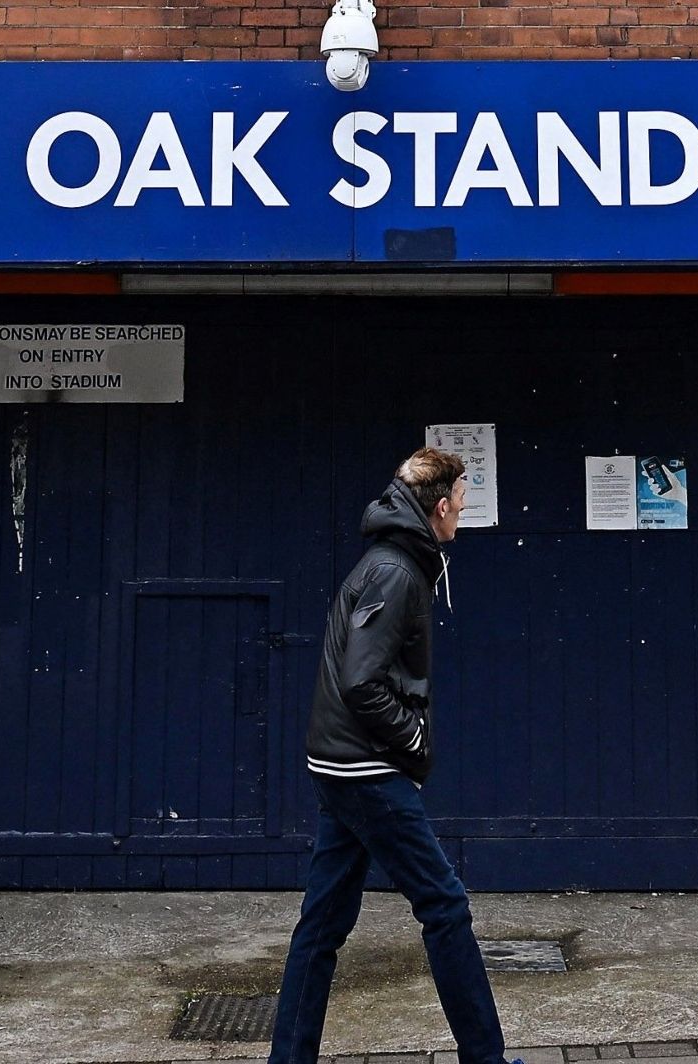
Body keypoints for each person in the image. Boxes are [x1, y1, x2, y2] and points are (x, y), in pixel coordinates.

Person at [267, 448, 518, 1064]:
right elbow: (361, 680)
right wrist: (411, 739)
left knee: (322, 927)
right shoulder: (396, 573)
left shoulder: (393, 563)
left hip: (341, 765)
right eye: (461, 500)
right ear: (437, 507)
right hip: (366, 769)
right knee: (445, 906)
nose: (463, 512)